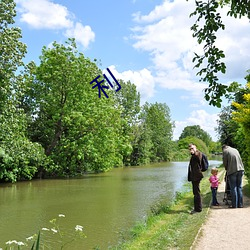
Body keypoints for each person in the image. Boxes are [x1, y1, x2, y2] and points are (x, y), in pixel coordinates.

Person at [188, 143, 204, 214]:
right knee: (196, 192)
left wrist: (194, 152)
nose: (191, 150)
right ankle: (197, 208)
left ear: (195, 148)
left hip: (196, 176)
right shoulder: (194, 155)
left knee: (196, 192)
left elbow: (198, 158)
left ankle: (198, 209)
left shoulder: (198, 154)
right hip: (195, 176)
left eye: (192, 148)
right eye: (190, 149)